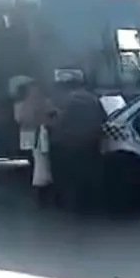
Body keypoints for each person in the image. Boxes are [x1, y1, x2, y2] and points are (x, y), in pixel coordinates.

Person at [48, 71, 107, 213]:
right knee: (88, 179)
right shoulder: (93, 99)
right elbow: (104, 119)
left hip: (69, 147)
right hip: (91, 144)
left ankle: (71, 210)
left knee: (70, 181)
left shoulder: (66, 102)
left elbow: (60, 124)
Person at [15, 80, 56, 205]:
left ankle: (41, 190)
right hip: (31, 136)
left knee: (41, 164)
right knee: (34, 163)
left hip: (41, 136)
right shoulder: (23, 105)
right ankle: (38, 190)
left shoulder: (46, 102)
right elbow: (20, 119)